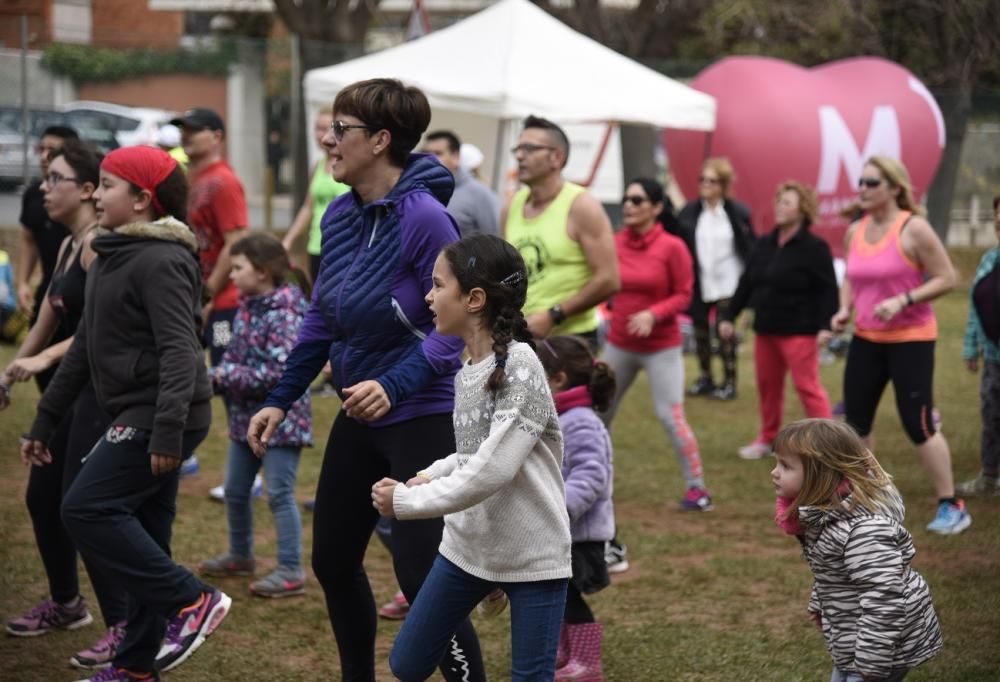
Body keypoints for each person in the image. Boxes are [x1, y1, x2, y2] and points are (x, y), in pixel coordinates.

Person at [247, 78, 484, 682]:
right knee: (331, 559)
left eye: (342, 129)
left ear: (380, 140)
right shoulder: (340, 211)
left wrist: (396, 384)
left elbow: (453, 327)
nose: (329, 138)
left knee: (421, 576)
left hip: (420, 416)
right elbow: (323, 314)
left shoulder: (427, 218)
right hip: (360, 414)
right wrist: (281, 397)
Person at [20, 145, 231, 682]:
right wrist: (45, 422)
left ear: (141, 200)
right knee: (145, 539)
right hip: (143, 408)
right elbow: (85, 347)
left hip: (164, 412)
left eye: (108, 185)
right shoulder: (112, 254)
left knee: (85, 508)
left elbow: (183, 351)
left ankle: (193, 600)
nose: (97, 194)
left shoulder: (162, 259)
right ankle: (137, 668)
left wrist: (165, 432)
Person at [371, 233, 571, 681]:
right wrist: (426, 475)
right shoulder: (469, 369)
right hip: (468, 548)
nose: (429, 295)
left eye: (439, 285)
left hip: (534, 554)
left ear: (474, 298)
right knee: (408, 662)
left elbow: (494, 468)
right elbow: (472, 455)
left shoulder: (522, 365)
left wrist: (406, 503)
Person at [2, 141, 131, 672]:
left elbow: (94, 332)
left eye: (55, 178)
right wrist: (14, 366)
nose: (43, 188)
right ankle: (67, 602)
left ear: (85, 189)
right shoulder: (66, 244)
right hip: (63, 391)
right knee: (43, 498)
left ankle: (123, 625)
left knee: (81, 507)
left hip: (96, 392)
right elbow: (48, 319)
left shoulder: (99, 243)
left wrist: (42, 361)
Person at [831, 156, 969, 535]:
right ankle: (869, 499)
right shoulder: (855, 230)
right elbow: (852, 277)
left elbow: (947, 278)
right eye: (860, 182)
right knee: (855, 425)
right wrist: (844, 309)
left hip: (911, 339)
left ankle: (951, 504)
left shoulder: (914, 229)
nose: (862, 188)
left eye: (871, 182)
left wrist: (904, 300)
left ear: (894, 187)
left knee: (918, 423)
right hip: (866, 338)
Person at [771, 419, 942, 681]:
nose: (775, 472)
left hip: (883, 646)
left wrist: (870, 660)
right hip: (854, 633)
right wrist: (822, 599)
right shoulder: (826, 517)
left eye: (785, 466)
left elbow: (884, 598)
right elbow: (838, 571)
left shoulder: (862, 530)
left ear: (821, 473)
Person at [197, 232, 313, 598]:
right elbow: (233, 357)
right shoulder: (248, 305)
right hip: (244, 420)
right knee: (234, 490)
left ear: (262, 272)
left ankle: (292, 569)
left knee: (279, 493)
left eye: (237, 268)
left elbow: (282, 374)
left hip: (281, 423)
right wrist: (218, 374)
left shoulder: (285, 315)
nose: (230, 276)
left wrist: (222, 376)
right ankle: (241, 554)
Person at [601, 178, 712, 513]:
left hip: (661, 346)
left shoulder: (672, 247)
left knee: (670, 415)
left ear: (657, 208)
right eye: (626, 199)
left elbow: (684, 295)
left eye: (637, 200)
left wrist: (653, 313)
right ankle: (591, 481)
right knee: (596, 412)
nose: (629, 206)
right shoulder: (615, 242)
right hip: (619, 342)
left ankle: (698, 490)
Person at [719, 181, 838, 460]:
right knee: (768, 387)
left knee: (808, 388)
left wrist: (825, 326)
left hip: (800, 331)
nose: (780, 207)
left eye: (787, 202)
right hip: (767, 329)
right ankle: (769, 438)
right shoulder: (765, 243)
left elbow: (828, 291)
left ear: (803, 209)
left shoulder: (815, 248)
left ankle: (831, 446)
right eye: (779, 201)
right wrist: (728, 316)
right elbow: (747, 283)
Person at [170, 107, 250, 488]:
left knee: (228, 376)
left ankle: (249, 471)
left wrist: (209, 294)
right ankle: (185, 453)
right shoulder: (190, 177)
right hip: (194, 299)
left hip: (223, 309)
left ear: (216, 136)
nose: (186, 136)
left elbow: (235, 242)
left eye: (194, 130)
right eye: (183, 130)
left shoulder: (223, 182)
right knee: (181, 372)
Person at [536, 335, 615, 682]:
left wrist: (560, 508)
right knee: (558, 593)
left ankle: (587, 663)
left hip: (577, 533)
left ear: (558, 379)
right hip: (559, 530)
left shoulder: (580, 420)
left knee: (568, 596)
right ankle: (566, 651)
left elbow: (590, 474)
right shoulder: (559, 416)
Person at [502, 115, 620, 346]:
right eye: (517, 148)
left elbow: (609, 280)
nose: (519, 156)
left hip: (570, 340)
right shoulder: (512, 205)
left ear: (557, 157)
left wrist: (554, 315)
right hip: (521, 337)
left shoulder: (581, 205)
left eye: (529, 148)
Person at [676, 157, 754, 400]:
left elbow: (749, 247)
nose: (705, 185)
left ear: (723, 185)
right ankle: (705, 378)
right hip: (700, 281)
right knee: (700, 331)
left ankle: (729, 382)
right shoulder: (690, 212)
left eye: (712, 181)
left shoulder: (737, 213)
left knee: (725, 331)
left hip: (728, 282)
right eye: (703, 180)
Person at [14, 125, 78, 388]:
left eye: (52, 150)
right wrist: (21, 283)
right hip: (48, 292)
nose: (43, 155)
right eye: (40, 149)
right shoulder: (33, 194)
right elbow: (28, 240)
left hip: (76, 296)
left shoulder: (81, 201)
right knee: (45, 376)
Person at [957, 193, 1000, 497]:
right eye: (997, 212)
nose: (998, 218)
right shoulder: (989, 259)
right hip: (993, 357)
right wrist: (971, 348)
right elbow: (977, 306)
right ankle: (989, 475)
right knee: (991, 414)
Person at [281, 110, 351, 282]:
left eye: (326, 128)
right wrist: (288, 241)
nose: (321, 135)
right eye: (317, 128)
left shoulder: (349, 166)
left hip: (342, 246)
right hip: (316, 244)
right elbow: (308, 207)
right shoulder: (317, 166)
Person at [422, 130, 501, 237]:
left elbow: (494, 241)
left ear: (456, 157)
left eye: (438, 153)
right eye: (426, 153)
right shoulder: (421, 192)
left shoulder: (480, 194)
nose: (430, 159)